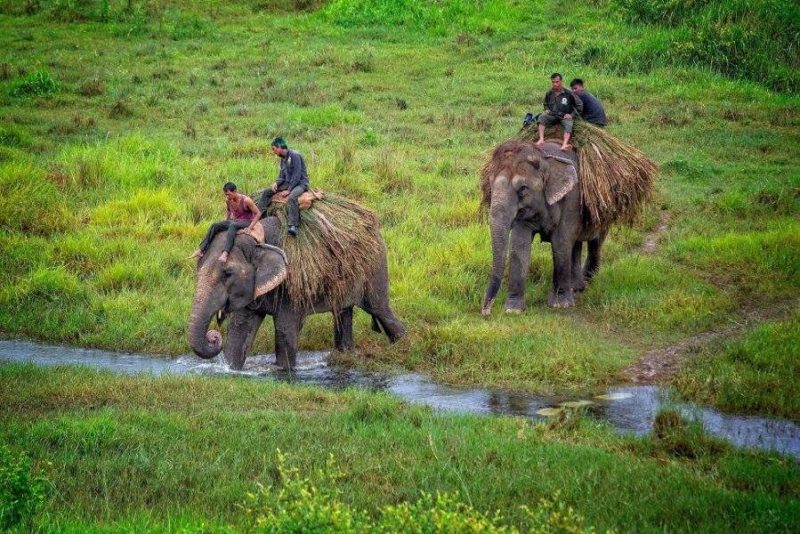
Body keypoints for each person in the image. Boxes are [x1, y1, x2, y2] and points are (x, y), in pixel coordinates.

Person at [191, 182, 261, 263]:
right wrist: (224, 223)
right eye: (226, 195)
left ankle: (225, 253)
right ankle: (201, 249)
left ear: (235, 191)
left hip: (247, 221)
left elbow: (258, 213)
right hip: (235, 220)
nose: (228, 196)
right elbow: (228, 211)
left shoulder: (246, 200)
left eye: (229, 194)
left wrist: (250, 227)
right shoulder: (228, 200)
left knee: (233, 225)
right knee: (215, 225)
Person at [258, 137, 308, 237]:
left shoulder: (295, 156)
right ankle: (260, 215)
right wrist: (276, 183)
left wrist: (289, 190)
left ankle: (293, 225)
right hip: (287, 182)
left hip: (299, 184)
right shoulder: (283, 159)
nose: (274, 152)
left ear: (280, 147)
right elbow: (281, 175)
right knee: (267, 192)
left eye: (274, 149)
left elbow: (297, 175)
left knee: (292, 197)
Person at [535, 73, 583, 151]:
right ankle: (541, 139)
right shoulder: (549, 93)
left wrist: (572, 115)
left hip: (564, 116)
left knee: (568, 124)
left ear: (561, 81)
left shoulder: (568, 93)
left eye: (557, 82)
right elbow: (545, 103)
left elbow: (579, 105)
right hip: (553, 114)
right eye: (553, 82)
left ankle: (564, 144)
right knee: (541, 117)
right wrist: (546, 109)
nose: (555, 84)